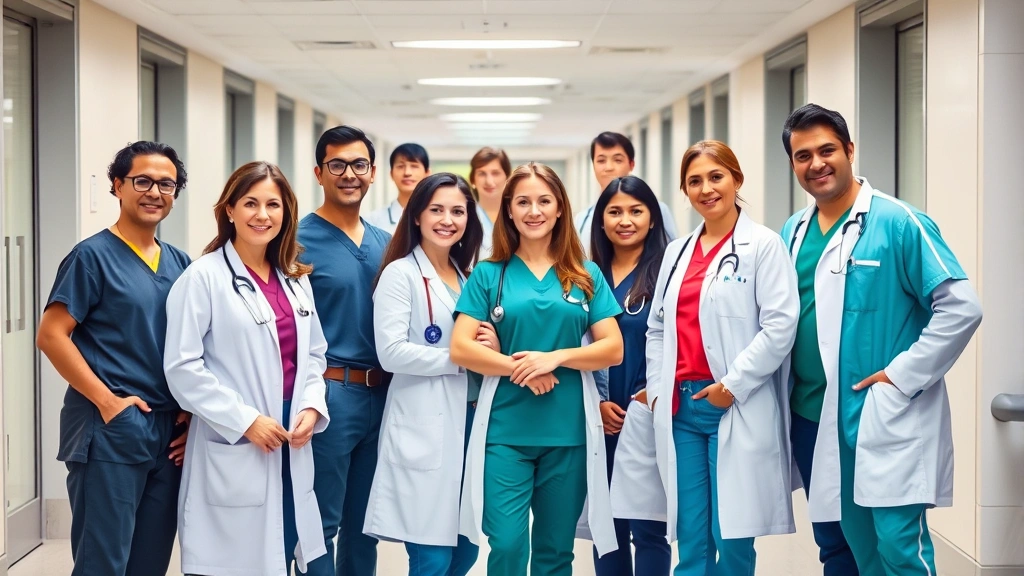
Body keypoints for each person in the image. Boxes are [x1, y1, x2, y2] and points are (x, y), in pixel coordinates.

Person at [780, 104, 983, 576]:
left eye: (827, 150)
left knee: (897, 546)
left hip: (880, 414)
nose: (817, 163)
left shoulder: (898, 221)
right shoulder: (792, 231)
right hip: (812, 416)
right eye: (803, 155)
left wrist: (902, 375)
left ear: (850, 150)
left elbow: (962, 307)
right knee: (844, 544)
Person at [450, 162, 625, 576]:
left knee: (555, 551)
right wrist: (520, 367)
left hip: (568, 434)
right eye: (523, 202)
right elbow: (460, 348)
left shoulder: (585, 275)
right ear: (508, 209)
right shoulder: (489, 275)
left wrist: (555, 358)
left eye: (544, 201)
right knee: (507, 545)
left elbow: (612, 347)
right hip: (505, 433)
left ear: (560, 208)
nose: (534, 211)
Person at [164, 161, 331, 575]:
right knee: (235, 561)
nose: (262, 215)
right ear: (230, 210)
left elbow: (313, 354)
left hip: (292, 435)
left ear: (286, 213)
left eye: (273, 205)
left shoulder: (294, 276)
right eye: (250, 203)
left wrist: (311, 405)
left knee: (290, 548)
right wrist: (245, 421)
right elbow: (182, 367)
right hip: (238, 437)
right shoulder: (202, 277)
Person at [36, 142, 192, 576]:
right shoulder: (92, 257)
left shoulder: (181, 263)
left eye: (166, 183)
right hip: (109, 430)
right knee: (102, 564)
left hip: (168, 433)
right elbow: (51, 336)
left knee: (150, 562)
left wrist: (190, 414)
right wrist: (108, 403)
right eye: (142, 181)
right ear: (117, 186)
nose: (154, 192)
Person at [647, 140, 800, 576]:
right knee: (691, 537)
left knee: (732, 538)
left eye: (716, 177)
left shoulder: (764, 246)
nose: (706, 188)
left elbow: (780, 326)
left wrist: (732, 386)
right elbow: (658, 328)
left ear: (737, 180)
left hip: (730, 403)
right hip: (681, 408)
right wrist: (660, 390)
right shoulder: (676, 252)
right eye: (694, 181)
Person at [363, 173, 490, 576]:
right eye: (436, 209)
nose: (447, 219)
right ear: (416, 215)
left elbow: (478, 341)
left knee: (466, 551)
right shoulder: (400, 275)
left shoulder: (467, 275)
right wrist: (461, 358)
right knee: (432, 558)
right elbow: (391, 352)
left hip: (470, 421)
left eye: (457, 211)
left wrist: (490, 341)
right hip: (424, 424)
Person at [300, 125, 392, 576]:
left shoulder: (387, 244)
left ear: (373, 173)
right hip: (330, 395)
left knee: (365, 529)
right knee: (320, 526)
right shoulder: (295, 242)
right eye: (337, 165)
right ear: (319, 172)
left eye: (358, 165)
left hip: (384, 396)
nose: (349, 174)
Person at [588, 176, 672, 576]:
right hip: (598, 417)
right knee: (608, 529)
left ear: (653, 218)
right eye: (615, 211)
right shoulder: (584, 275)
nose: (626, 220)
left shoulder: (668, 272)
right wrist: (596, 402)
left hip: (647, 412)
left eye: (636, 211)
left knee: (650, 527)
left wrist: (649, 396)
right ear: (600, 220)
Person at [575, 131, 678, 251]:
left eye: (617, 160)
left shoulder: (656, 209)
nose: (609, 168)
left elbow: (672, 253)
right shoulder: (583, 218)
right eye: (601, 161)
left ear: (631, 164)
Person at [364, 143, 431, 234]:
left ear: (427, 173)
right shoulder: (372, 221)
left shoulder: (438, 217)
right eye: (400, 166)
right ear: (391, 173)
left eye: (414, 166)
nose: (407, 173)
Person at [468, 146, 511, 258]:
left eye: (495, 173)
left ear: (508, 177)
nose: (489, 181)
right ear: (473, 179)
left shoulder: (517, 215)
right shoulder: (465, 217)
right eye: (482, 173)